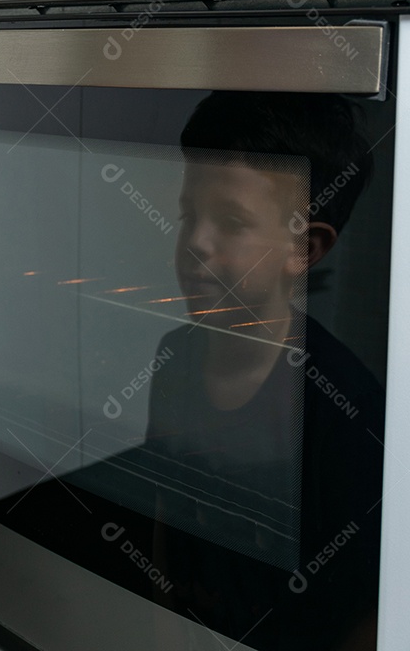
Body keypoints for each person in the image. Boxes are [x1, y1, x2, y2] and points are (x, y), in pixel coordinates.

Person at [143, 92, 384, 650]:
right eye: (189, 214)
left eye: (230, 221)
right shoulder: (175, 354)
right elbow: (162, 516)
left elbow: (365, 612)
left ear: (305, 248)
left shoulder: (348, 408)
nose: (194, 242)